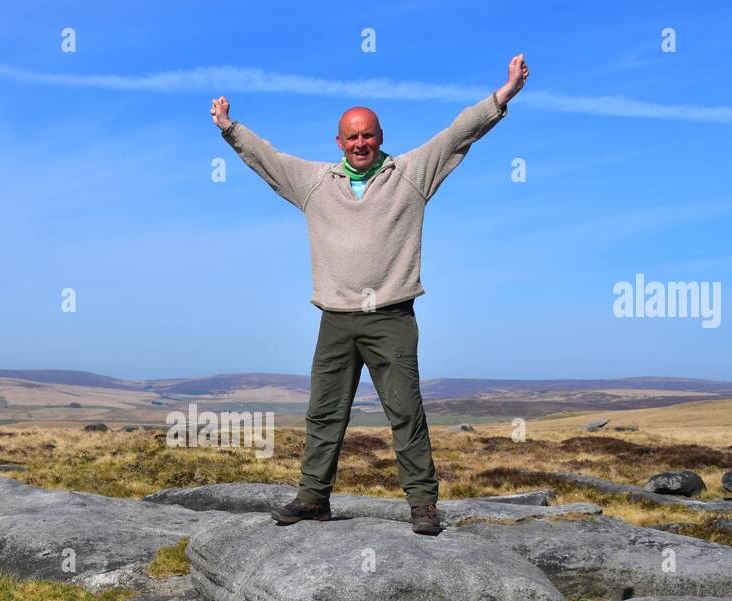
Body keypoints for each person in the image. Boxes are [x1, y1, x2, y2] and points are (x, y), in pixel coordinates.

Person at [210, 54, 529, 534]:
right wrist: (230, 129)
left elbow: (458, 133)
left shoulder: (410, 174)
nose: (361, 143)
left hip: (391, 317)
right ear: (339, 142)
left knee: (406, 412)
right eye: (352, 136)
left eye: (369, 134)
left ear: (381, 138)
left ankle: (423, 504)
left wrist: (502, 95)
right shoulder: (315, 183)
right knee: (323, 414)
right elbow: (269, 160)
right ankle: (314, 499)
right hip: (336, 319)